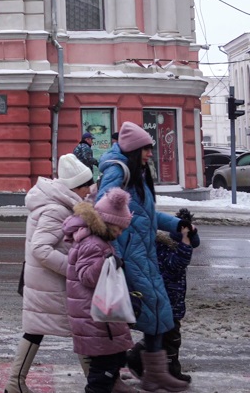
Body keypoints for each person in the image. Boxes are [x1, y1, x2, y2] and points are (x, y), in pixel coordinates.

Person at [97, 121, 192, 393]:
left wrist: (176, 225)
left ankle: (154, 374)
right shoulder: (118, 171)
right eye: (146, 149)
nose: (150, 154)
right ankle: (114, 377)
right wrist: (120, 243)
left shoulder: (135, 173)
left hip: (144, 255)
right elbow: (103, 209)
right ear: (133, 150)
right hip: (128, 258)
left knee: (159, 312)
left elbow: (146, 215)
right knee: (122, 320)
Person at [4, 153, 96, 393]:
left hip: (47, 281)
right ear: (76, 186)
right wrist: (73, 269)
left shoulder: (59, 204)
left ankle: (15, 383)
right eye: (87, 186)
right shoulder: (57, 210)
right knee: (78, 328)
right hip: (52, 282)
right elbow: (40, 248)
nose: (90, 191)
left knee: (39, 330)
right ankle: (97, 384)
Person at [63, 187, 135, 393]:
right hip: (96, 321)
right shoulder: (94, 244)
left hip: (98, 319)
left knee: (110, 365)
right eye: (119, 228)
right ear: (107, 222)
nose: (121, 232)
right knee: (101, 376)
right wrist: (107, 262)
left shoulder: (97, 241)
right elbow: (87, 276)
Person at [126, 208, 200, 384]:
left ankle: (135, 358)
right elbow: (176, 265)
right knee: (171, 339)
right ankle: (171, 371)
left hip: (168, 301)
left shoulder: (164, 245)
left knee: (159, 337)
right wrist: (185, 242)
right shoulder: (167, 248)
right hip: (167, 303)